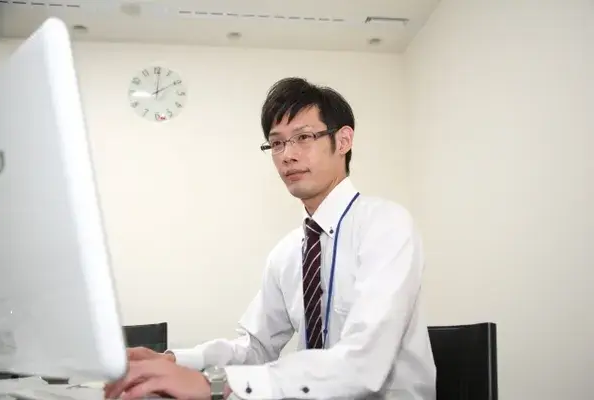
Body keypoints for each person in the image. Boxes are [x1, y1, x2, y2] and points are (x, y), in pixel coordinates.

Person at [105, 77, 436, 400]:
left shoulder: (386, 225)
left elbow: (364, 365)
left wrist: (215, 385)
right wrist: (174, 361)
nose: (287, 155)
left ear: (343, 141)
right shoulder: (288, 252)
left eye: (303, 137)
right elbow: (256, 347)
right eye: (277, 143)